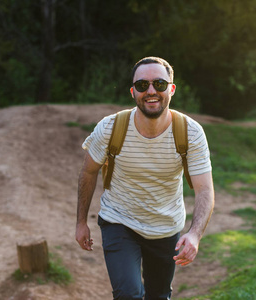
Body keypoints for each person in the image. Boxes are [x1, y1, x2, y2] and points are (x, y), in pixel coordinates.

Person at [76, 56, 214, 300]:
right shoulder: (109, 128)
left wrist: (194, 234)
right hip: (119, 221)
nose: (151, 91)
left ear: (171, 89)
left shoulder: (190, 132)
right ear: (133, 92)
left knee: (158, 296)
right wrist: (80, 222)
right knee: (128, 294)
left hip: (166, 226)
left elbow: (204, 189)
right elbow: (88, 171)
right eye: (142, 85)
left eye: (159, 84)